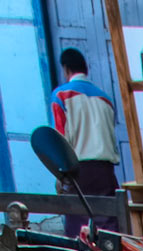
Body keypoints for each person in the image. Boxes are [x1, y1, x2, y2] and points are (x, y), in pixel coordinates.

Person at [50, 49, 120, 238]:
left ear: (66, 69)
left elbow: (61, 138)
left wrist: (59, 176)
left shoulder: (60, 96)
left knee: (78, 233)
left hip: (77, 171)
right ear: (85, 69)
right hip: (105, 171)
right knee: (109, 229)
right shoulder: (105, 99)